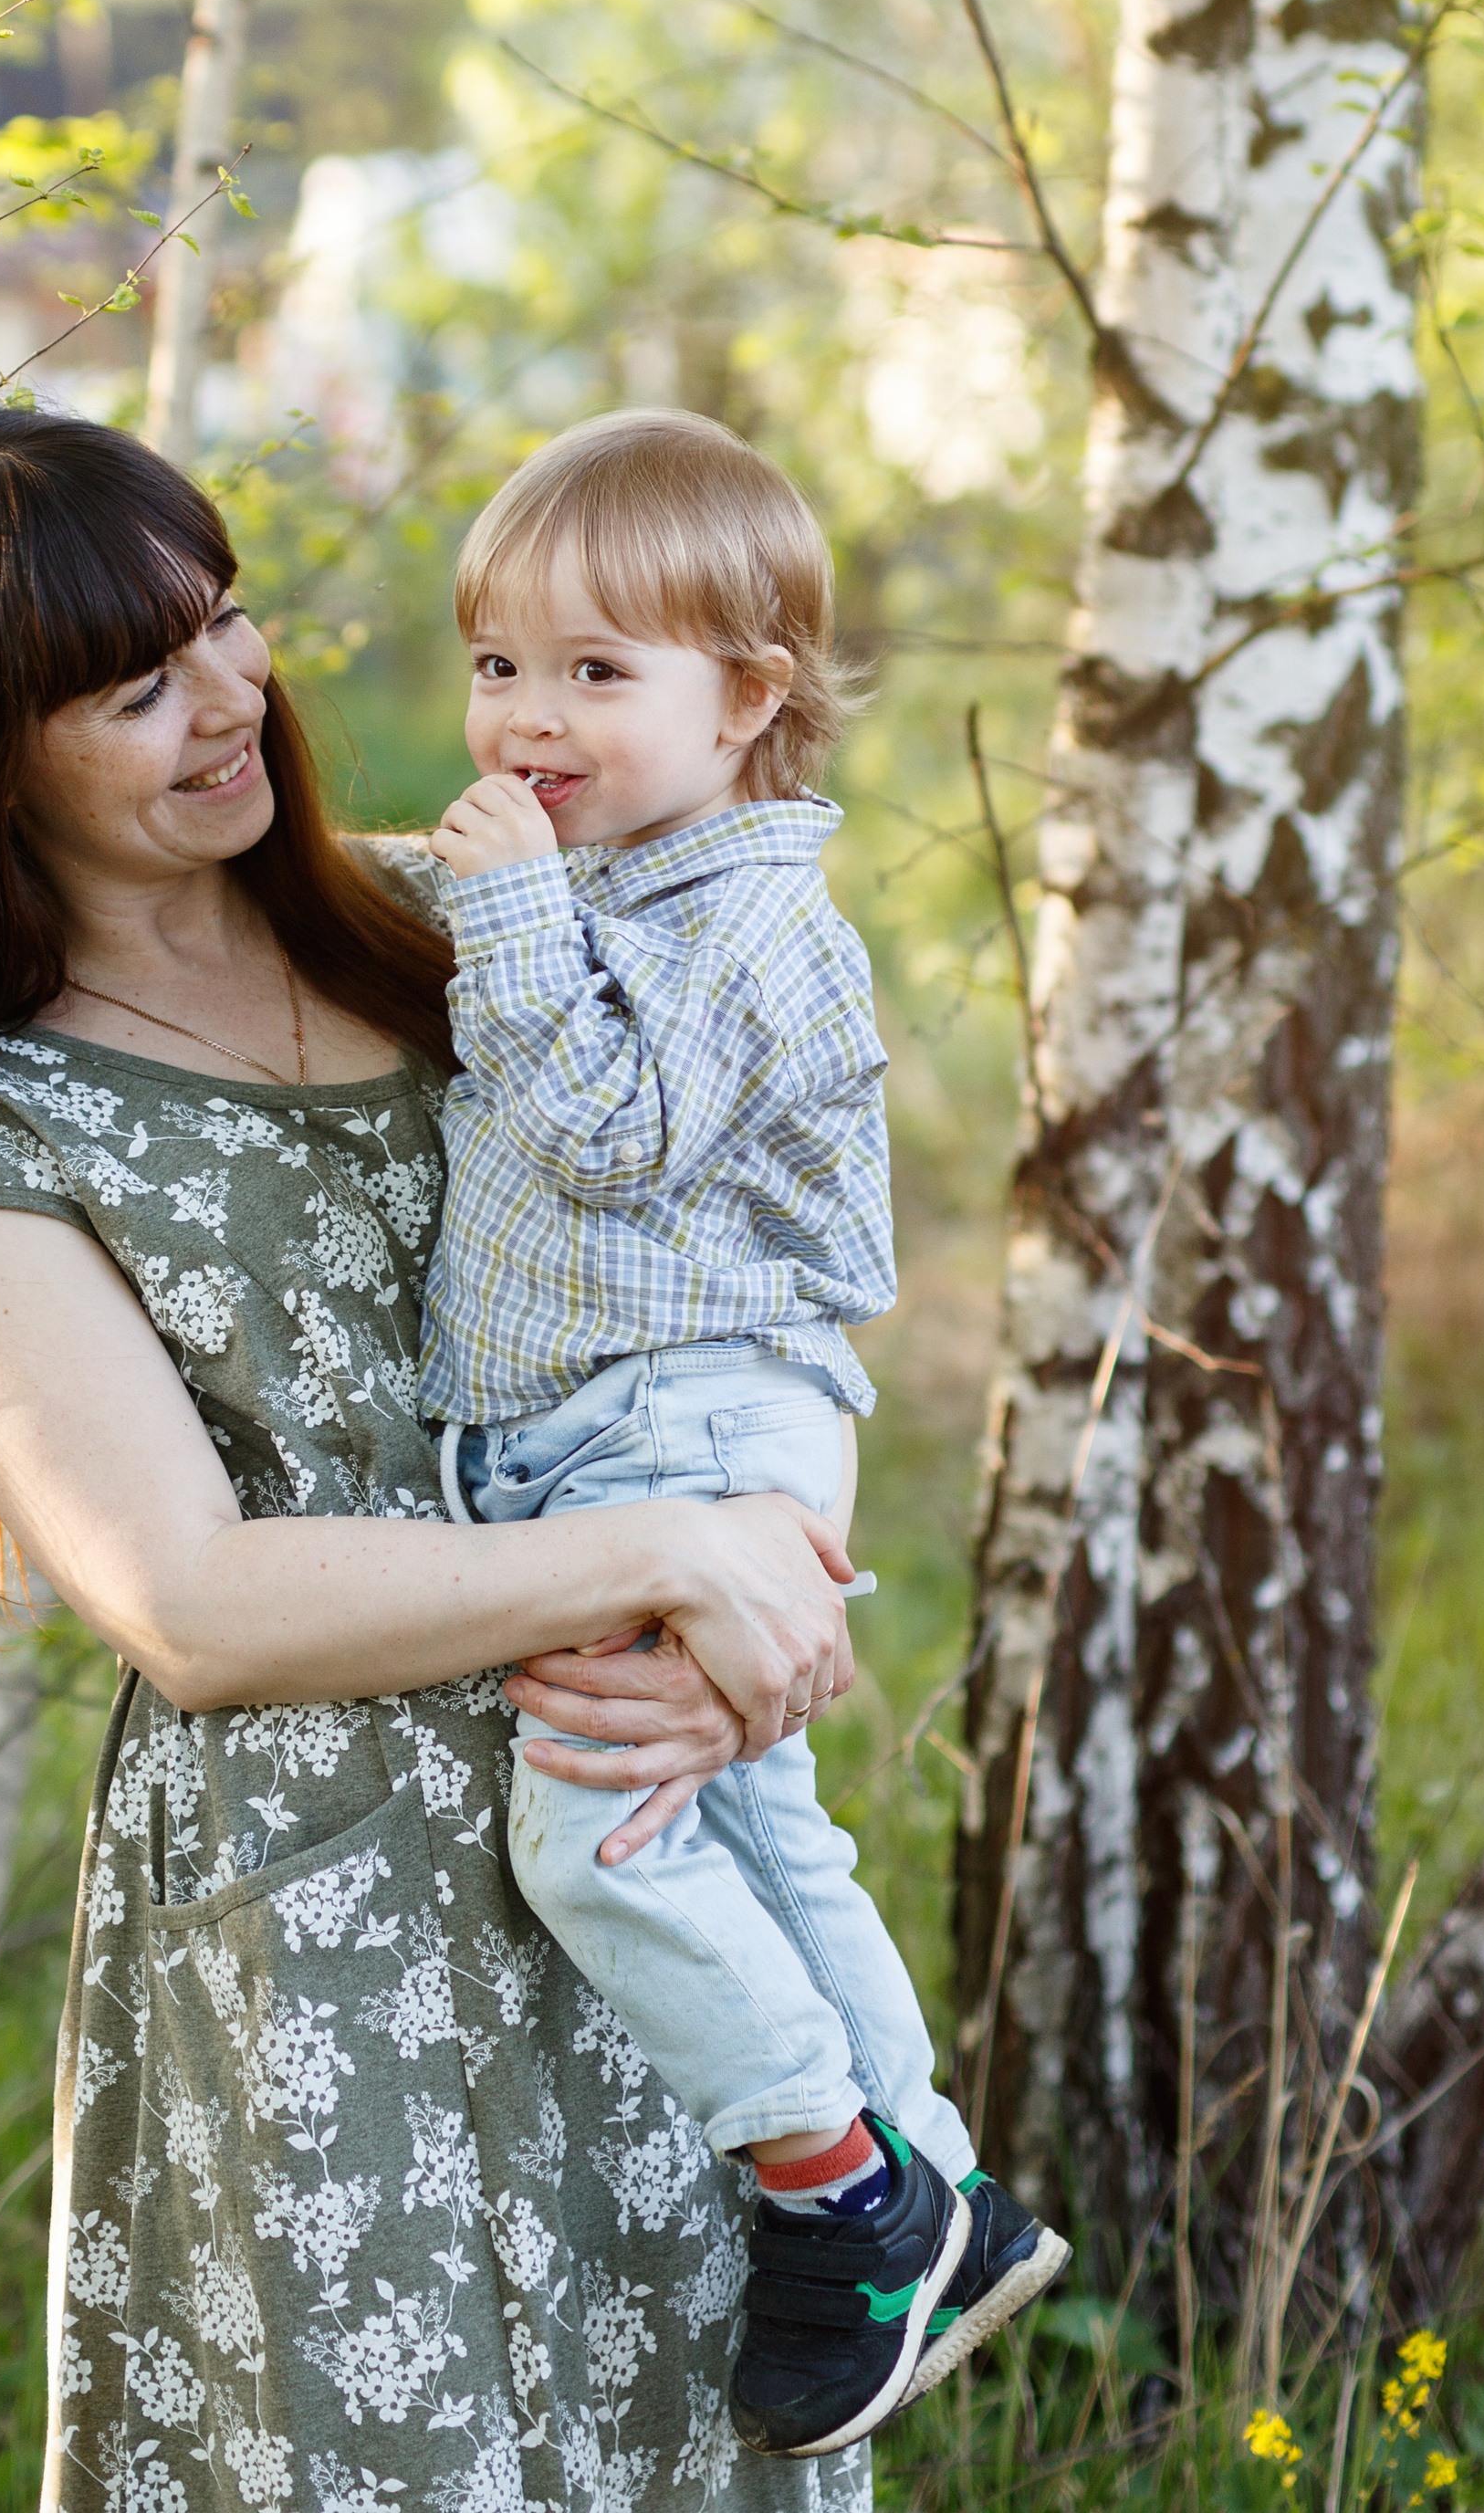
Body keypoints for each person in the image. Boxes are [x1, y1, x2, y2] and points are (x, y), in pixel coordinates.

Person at [0, 406, 878, 2513]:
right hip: (324, 1930)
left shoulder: (459, 936)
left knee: (694, 2445)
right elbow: (189, 1606)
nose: (231, 695)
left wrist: (770, 1567)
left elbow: (747, 1275)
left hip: (630, 1827)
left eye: (226, 621)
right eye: (133, 685)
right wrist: (663, 1548)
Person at [421, 412, 1069, 2459]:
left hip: (679, 1433)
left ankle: (833, 2193)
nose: (529, 717)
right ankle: (938, 2189)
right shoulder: (625, 881)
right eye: (501, 663)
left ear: (749, 697)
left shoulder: (753, 922)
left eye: (598, 673)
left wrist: (510, 918)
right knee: (767, 1842)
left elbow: (610, 1142)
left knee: (593, 1835)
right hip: (643, 1430)